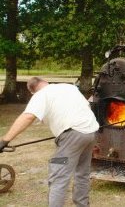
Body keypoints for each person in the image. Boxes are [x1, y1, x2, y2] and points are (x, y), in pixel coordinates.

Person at [0, 77, 99, 207]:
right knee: (82, 173)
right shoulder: (68, 87)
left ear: (32, 92)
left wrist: (5, 140)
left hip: (72, 137)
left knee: (58, 175)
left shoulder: (41, 95)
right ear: (45, 82)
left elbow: (28, 116)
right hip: (90, 133)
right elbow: (85, 106)